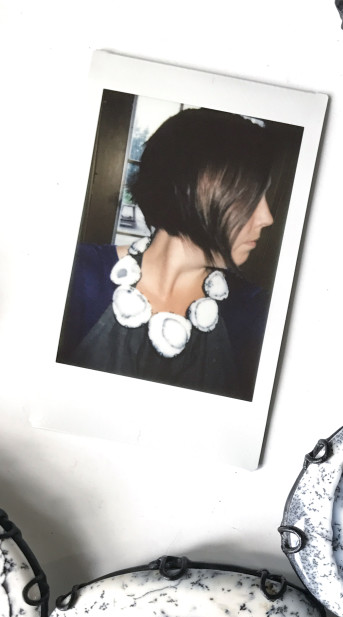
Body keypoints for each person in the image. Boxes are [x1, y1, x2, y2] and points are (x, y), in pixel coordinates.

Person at [57, 108, 276, 402]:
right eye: (251, 197)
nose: (266, 217)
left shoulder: (258, 315)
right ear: (193, 189)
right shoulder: (74, 277)